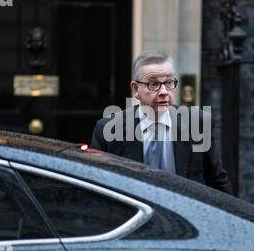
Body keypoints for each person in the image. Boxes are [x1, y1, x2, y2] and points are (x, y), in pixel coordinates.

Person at [90, 51, 230, 193]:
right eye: (153, 84)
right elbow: (97, 186)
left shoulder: (198, 123)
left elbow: (218, 183)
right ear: (136, 89)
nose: (164, 91)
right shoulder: (108, 129)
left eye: (169, 83)